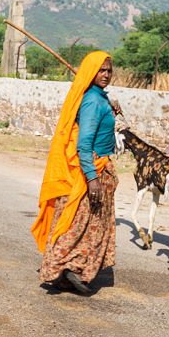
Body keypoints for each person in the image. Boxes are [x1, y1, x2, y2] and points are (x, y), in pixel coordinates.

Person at [31, 51, 119, 294]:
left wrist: (110, 107)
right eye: (101, 70)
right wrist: (92, 178)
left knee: (88, 223)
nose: (106, 74)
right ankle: (65, 266)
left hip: (98, 168)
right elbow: (84, 144)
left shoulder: (98, 98)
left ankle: (68, 271)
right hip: (92, 170)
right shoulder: (92, 101)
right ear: (91, 72)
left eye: (109, 70)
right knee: (79, 224)